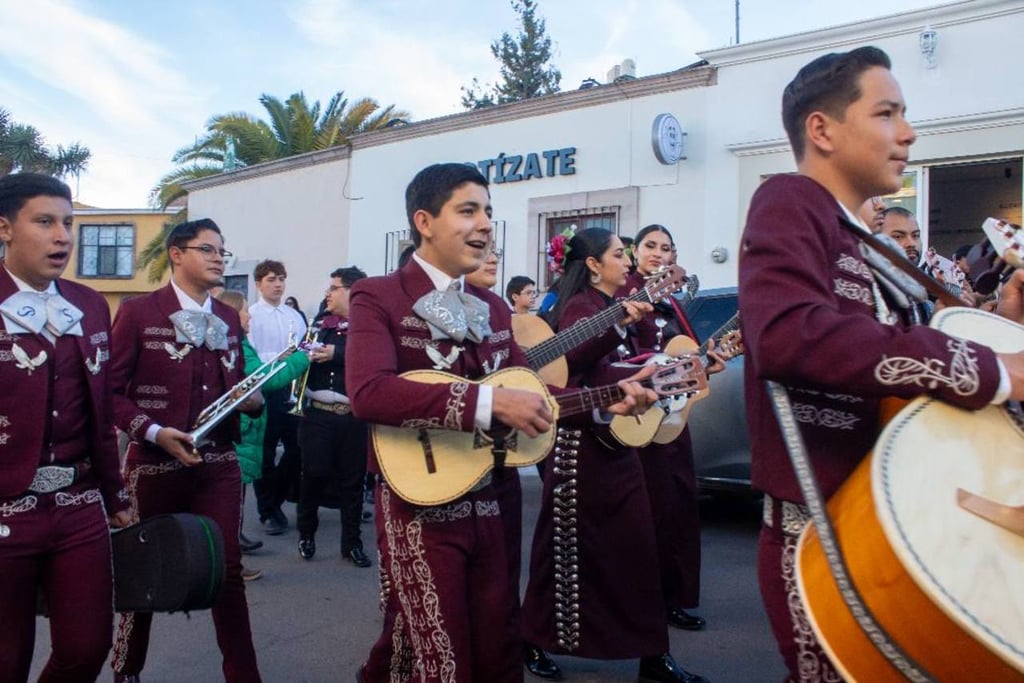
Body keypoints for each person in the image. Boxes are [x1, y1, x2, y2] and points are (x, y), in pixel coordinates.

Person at [738, 45, 1024, 682]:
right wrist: (993, 368)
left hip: (889, 520)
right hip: (826, 534)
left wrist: (1002, 324)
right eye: (888, 112)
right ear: (823, 130)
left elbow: (892, 368)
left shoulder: (855, 237)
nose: (909, 132)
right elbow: (787, 335)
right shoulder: (790, 199)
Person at [348, 163, 656, 682]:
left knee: (497, 644)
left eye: (488, 211)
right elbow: (369, 392)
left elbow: (528, 394)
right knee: (444, 656)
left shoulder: (493, 306)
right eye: (468, 210)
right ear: (424, 221)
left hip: (496, 495)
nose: (486, 224)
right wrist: (487, 407)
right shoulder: (378, 296)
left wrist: (606, 403)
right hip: (419, 502)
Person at [520, 227, 707, 683]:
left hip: (615, 440)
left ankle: (652, 655)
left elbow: (617, 366)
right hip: (579, 446)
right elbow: (574, 361)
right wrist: (619, 326)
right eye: (619, 255)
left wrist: (661, 371)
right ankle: (532, 638)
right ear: (593, 265)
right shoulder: (583, 308)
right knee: (564, 551)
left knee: (637, 550)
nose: (627, 263)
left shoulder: (613, 305)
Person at [110, 218, 263, 682]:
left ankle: (244, 675)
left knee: (227, 570)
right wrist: (154, 432)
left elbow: (235, 387)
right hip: (154, 463)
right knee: (144, 566)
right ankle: (126, 669)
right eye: (208, 249)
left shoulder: (228, 319)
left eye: (222, 251)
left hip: (217, 462)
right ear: (177, 254)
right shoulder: (139, 312)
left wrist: (250, 398)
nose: (219, 258)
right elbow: (110, 392)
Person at [0, 173, 131, 682]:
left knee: (86, 648)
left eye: (69, 224)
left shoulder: (91, 304)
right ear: (5, 228)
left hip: (78, 506)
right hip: (7, 510)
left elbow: (100, 408)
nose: (63, 236)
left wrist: (115, 497)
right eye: (45, 222)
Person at [628, 223, 720, 634]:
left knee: (678, 510)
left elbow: (691, 356)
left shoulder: (675, 302)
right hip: (635, 420)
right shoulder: (625, 297)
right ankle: (640, 604)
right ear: (633, 251)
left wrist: (708, 361)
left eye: (666, 247)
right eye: (650, 245)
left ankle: (673, 600)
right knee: (640, 516)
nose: (658, 254)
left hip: (673, 421)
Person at [216, 288, 311, 580]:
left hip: (246, 428)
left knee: (235, 498)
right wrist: (302, 358)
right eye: (244, 310)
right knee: (232, 499)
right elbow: (265, 378)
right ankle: (232, 561)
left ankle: (235, 542)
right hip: (243, 429)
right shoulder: (238, 345)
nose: (249, 315)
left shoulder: (238, 342)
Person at [296, 266, 371, 568]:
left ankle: (351, 543)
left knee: (353, 484)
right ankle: (306, 534)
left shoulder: (369, 327)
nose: (328, 292)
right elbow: (300, 350)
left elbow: (372, 356)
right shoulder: (319, 323)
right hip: (319, 416)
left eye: (335, 287)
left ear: (352, 291)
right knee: (312, 477)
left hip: (353, 417)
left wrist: (336, 354)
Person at [248, 259, 307, 535]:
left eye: (281, 278)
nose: (278, 284)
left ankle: (277, 499)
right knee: (266, 452)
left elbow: (304, 348)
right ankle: (267, 510)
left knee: (296, 450)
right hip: (266, 389)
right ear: (258, 283)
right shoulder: (252, 315)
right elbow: (254, 356)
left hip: (292, 389)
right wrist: (280, 358)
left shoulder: (294, 316)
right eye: (271, 279)